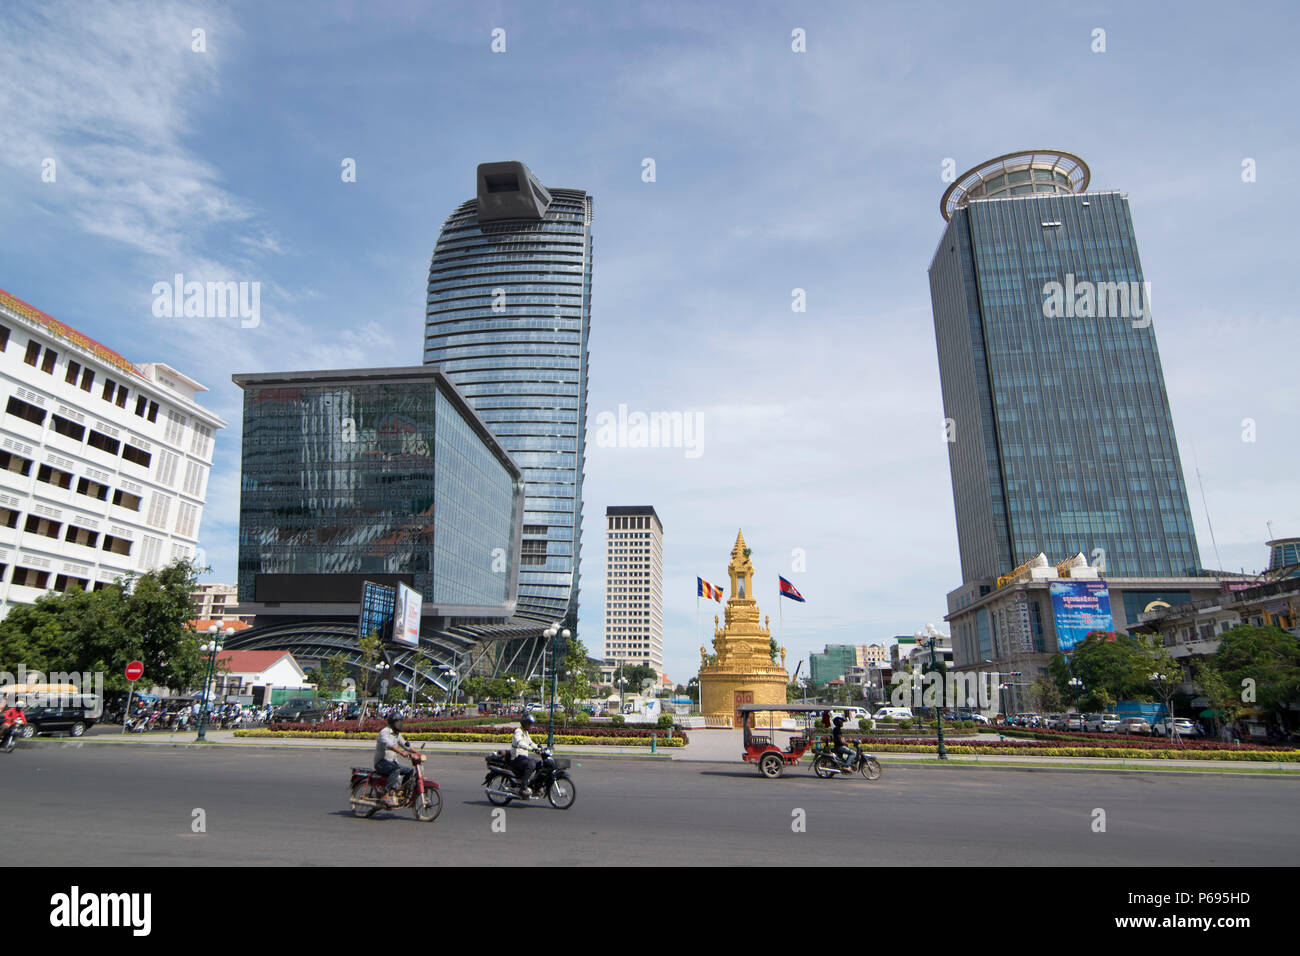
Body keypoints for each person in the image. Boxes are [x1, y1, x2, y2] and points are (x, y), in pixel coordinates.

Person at [374, 713, 418, 806]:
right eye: (398, 722)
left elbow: (405, 744)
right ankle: (385, 794)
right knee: (396, 770)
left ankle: (400, 792)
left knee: (410, 771)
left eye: (401, 722)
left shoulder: (396, 734)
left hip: (392, 763)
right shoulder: (384, 732)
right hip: (381, 763)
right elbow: (389, 745)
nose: (400, 724)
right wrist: (401, 752)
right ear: (392, 723)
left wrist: (416, 752)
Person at [511, 713, 542, 797]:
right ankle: (523, 787)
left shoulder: (526, 732)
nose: (530, 726)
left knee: (540, 764)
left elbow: (531, 743)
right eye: (529, 724)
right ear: (524, 723)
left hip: (523, 757)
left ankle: (536, 786)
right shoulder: (518, 731)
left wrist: (540, 749)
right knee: (531, 764)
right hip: (517, 758)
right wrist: (531, 749)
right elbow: (520, 742)